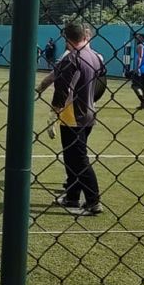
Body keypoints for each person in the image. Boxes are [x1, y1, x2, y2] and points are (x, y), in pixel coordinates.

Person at [37, 22, 103, 216]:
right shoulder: (96, 57)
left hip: (72, 115)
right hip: (89, 112)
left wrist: (53, 113)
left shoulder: (71, 58)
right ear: (85, 36)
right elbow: (101, 84)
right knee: (71, 158)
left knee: (78, 159)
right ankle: (72, 196)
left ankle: (93, 201)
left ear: (66, 39)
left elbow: (61, 88)